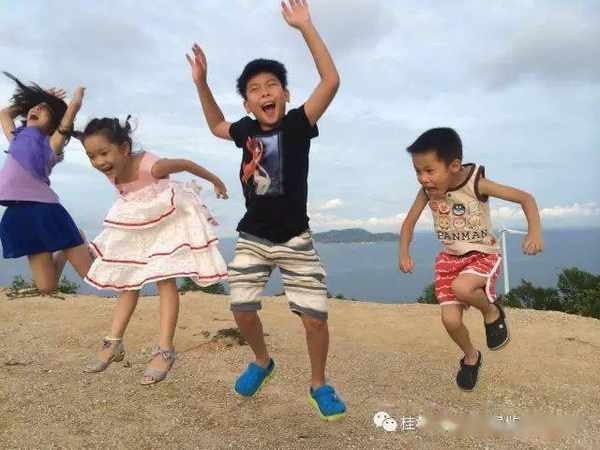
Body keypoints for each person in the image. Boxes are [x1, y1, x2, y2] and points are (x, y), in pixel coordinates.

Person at [187, 0, 345, 420]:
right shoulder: (245, 131)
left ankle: (319, 383)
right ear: (247, 104)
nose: (264, 93)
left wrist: (305, 27)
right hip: (253, 236)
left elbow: (331, 80)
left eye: (272, 85)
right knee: (241, 308)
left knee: (314, 319)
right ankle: (261, 361)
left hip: (295, 238)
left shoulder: (298, 124)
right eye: (255, 90)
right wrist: (202, 82)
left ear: (286, 95)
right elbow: (215, 124)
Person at [79, 116, 228, 385]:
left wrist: (216, 181)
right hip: (135, 221)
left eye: (103, 153)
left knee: (165, 281)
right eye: (91, 156)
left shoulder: (153, 166)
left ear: (124, 148)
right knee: (128, 281)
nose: (99, 161)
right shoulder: (112, 170)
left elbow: (186, 163)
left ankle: (165, 349)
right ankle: (113, 342)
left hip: (165, 220)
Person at [398, 127, 544, 391]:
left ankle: (491, 311)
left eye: (429, 171)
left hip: (482, 254)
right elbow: (408, 224)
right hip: (449, 260)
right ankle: (471, 356)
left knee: (462, 288)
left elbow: (526, 198)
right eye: (418, 172)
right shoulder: (427, 193)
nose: (423, 179)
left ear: (454, 165)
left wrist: (534, 232)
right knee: (450, 321)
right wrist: (404, 253)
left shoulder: (477, 183)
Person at [0, 72, 92, 294]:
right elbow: (4, 113)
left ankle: (77, 238)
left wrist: (75, 101)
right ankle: (66, 248)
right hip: (18, 214)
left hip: (45, 210)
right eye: (35, 108)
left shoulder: (50, 144)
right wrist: (36, 100)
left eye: (45, 110)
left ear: (53, 124)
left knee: (91, 275)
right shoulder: (16, 137)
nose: (37, 109)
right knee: (47, 287)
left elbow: (67, 121)